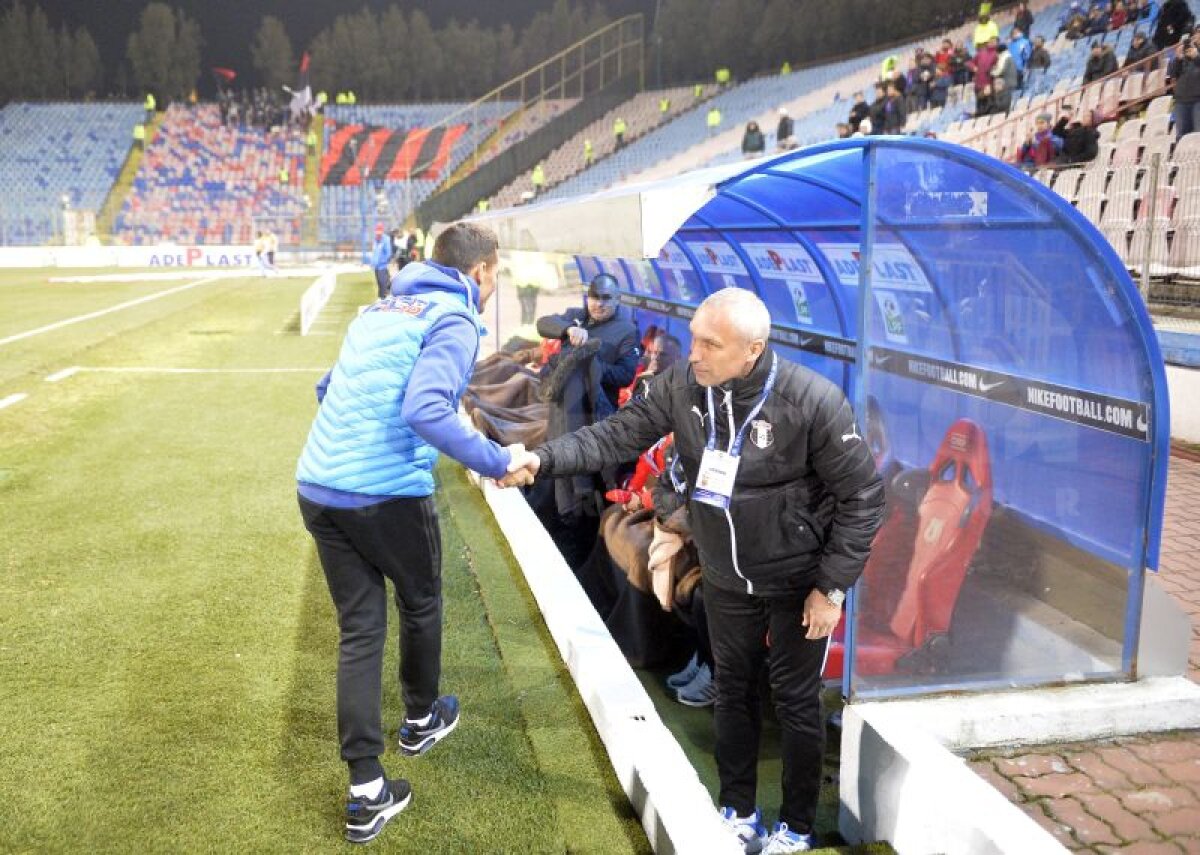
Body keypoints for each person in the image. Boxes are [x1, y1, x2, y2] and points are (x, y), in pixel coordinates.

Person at [505, 288, 885, 854]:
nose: (696, 353)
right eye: (697, 338)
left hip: (798, 580)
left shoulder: (813, 401)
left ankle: (799, 826)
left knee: (795, 701)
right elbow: (618, 432)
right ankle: (738, 810)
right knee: (732, 690)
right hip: (724, 574)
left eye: (712, 343)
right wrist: (542, 459)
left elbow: (862, 498)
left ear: (753, 350)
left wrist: (830, 587)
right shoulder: (683, 385)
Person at [296, 222, 529, 845]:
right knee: (421, 599)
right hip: (385, 493)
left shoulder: (381, 308)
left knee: (360, 630)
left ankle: (366, 790)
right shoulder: (455, 319)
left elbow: (327, 388)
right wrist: (500, 460)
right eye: (495, 274)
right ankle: (422, 719)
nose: (493, 284)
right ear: (481, 271)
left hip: (318, 485)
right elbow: (424, 409)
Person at [532, 273, 640, 562]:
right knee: (554, 491)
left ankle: (581, 558)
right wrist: (568, 329)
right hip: (559, 420)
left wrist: (591, 362)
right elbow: (543, 324)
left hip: (595, 419)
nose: (599, 304)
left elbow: (625, 375)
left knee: (584, 503)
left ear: (617, 301)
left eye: (606, 298)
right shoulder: (576, 317)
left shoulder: (626, 331)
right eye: (595, 297)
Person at [1169, 34, 1200, 137]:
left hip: (1198, 100)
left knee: (1197, 134)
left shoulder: (1196, 55)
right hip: (1182, 100)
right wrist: (1178, 59)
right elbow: (1174, 74)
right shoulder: (1185, 55)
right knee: (1181, 135)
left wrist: (1197, 57)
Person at [370, 224, 394, 300]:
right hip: (376, 266)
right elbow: (374, 252)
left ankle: (385, 300)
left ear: (382, 231)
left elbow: (388, 253)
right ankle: (381, 299)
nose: (378, 234)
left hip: (382, 266)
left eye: (379, 232)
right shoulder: (375, 240)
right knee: (379, 284)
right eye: (377, 232)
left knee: (383, 284)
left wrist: (382, 262)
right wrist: (373, 262)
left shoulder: (386, 240)